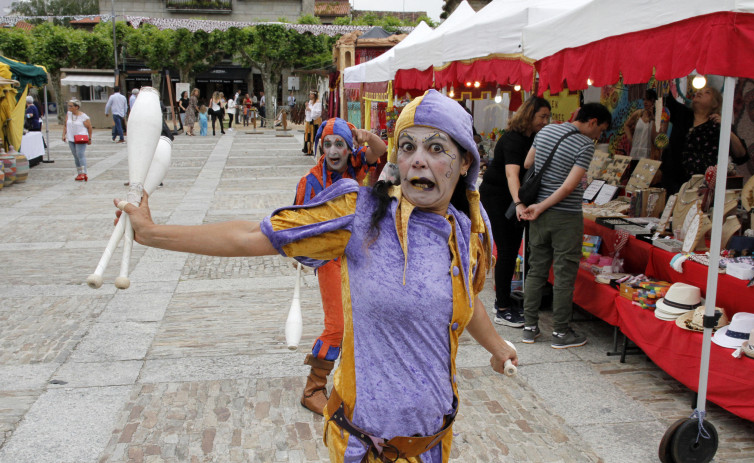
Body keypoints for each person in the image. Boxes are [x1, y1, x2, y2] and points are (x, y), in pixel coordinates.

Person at [114, 89, 517, 462]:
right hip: (367, 449)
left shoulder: (468, 230)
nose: (418, 160)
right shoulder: (361, 215)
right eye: (408, 146)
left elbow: (464, 299)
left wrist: (497, 347)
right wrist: (154, 233)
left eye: (436, 148)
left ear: (465, 162)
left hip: (434, 445)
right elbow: (254, 234)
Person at [293, 117, 386, 415]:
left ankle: (352, 384)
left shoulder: (355, 165)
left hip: (358, 254)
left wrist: (364, 135)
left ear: (348, 148)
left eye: (340, 144)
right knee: (338, 325)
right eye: (328, 144)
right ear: (321, 145)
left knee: (363, 319)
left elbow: (381, 148)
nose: (333, 150)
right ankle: (313, 388)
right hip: (330, 258)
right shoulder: (310, 181)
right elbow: (296, 223)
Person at [519, 103, 612, 348]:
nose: (599, 135)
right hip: (566, 217)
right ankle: (560, 332)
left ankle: (529, 328)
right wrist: (544, 204)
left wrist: (539, 205)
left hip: (539, 213)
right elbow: (569, 187)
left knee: (536, 269)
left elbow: (528, 163)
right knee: (563, 274)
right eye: (600, 130)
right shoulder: (583, 145)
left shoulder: (546, 131)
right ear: (592, 122)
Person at [479, 96, 551, 328]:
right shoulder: (514, 139)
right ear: (529, 115)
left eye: (547, 117)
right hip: (498, 198)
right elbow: (512, 175)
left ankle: (504, 299)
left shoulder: (531, 138)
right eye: (542, 116)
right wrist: (519, 203)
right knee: (508, 251)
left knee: (511, 249)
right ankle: (501, 308)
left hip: (511, 198)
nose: (545, 121)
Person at [662, 86, 747, 193]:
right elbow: (666, 98)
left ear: (715, 103)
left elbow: (741, 155)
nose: (699, 93)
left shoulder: (718, 125)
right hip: (674, 184)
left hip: (704, 188)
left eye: (707, 92)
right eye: (699, 91)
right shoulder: (682, 114)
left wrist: (726, 128)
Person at [624, 89, 666, 164]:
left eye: (648, 100)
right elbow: (626, 125)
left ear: (653, 101)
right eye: (644, 99)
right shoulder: (639, 114)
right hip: (635, 153)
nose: (645, 102)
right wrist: (630, 138)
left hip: (649, 155)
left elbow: (659, 136)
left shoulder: (658, 117)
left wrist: (653, 117)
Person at [62, 98, 93, 182]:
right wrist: (64, 134)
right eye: (68, 106)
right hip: (71, 137)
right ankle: (79, 172)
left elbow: (89, 127)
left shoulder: (83, 117)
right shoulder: (69, 114)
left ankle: (84, 173)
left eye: (71, 106)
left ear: (76, 107)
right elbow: (65, 124)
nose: (69, 107)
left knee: (80, 154)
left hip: (80, 138)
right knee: (75, 155)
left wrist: (89, 138)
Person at [302, 91, 322, 155]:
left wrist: (310, 109)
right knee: (308, 135)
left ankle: (313, 149)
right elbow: (308, 111)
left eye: (311, 94)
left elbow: (318, 112)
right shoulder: (310, 102)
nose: (310, 95)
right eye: (310, 94)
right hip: (309, 120)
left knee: (314, 135)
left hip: (315, 121)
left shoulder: (318, 102)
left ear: (314, 95)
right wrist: (307, 107)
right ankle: (308, 149)